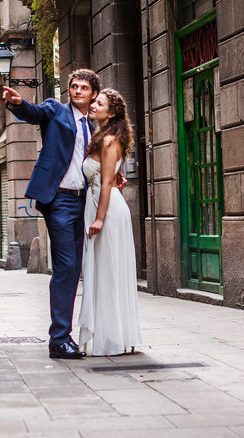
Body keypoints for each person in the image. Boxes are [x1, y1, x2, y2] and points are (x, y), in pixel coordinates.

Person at [2, 69, 100, 360]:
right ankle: (58, 339)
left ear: (94, 93)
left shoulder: (94, 127)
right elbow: (34, 113)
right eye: (74, 86)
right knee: (66, 265)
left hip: (84, 202)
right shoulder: (55, 110)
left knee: (73, 267)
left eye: (84, 87)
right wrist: (18, 104)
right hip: (58, 200)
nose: (78, 91)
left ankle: (63, 336)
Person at [77, 88, 143, 356]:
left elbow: (105, 181)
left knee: (109, 272)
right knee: (103, 272)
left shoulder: (109, 140)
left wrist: (99, 219)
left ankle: (114, 337)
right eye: (94, 102)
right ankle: (113, 333)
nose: (93, 105)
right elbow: (110, 177)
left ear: (112, 112)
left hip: (108, 211)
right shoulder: (100, 136)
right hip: (99, 203)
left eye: (99, 103)